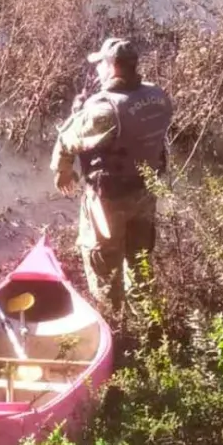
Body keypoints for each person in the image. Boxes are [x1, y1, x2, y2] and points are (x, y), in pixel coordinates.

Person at [51, 37, 173, 313]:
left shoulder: (104, 110)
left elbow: (68, 140)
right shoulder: (158, 96)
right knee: (139, 255)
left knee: (102, 259)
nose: (97, 71)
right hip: (146, 192)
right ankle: (145, 317)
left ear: (114, 66)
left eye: (101, 65)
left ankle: (111, 318)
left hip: (109, 199)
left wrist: (62, 172)